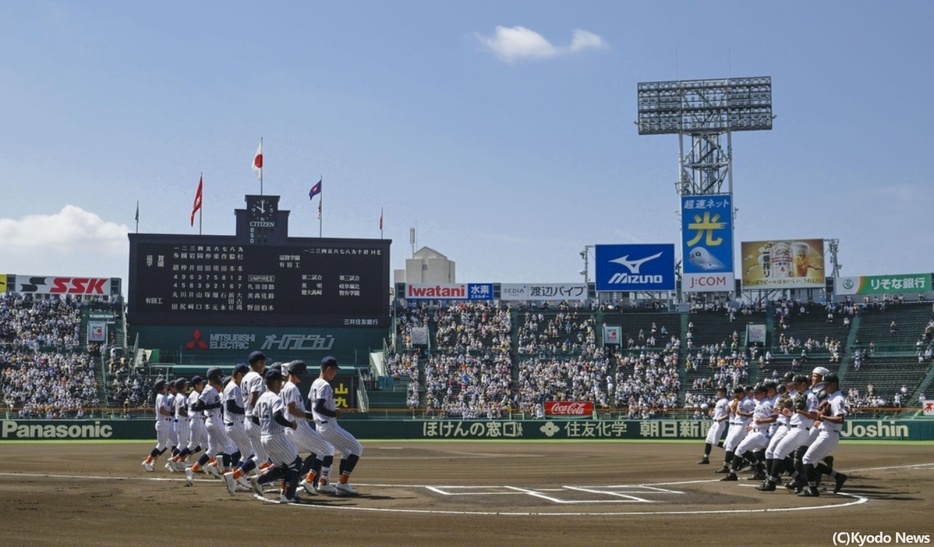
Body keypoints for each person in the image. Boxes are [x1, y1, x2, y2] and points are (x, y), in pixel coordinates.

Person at [279, 360, 337, 495]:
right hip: (299, 427)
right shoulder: (292, 388)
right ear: (296, 373)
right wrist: (307, 414)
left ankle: (288, 487)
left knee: (295, 458)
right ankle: (311, 481)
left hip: (291, 428)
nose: (303, 376)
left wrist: (307, 415)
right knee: (327, 449)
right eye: (302, 373)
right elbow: (292, 410)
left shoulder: (285, 387)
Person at [247, 368, 303, 503]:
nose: (282, 385)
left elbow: (254, 419)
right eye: (281, 382)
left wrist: (266, 425)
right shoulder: (275, 398)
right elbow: (278, 416)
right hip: (276, 436)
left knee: (282, 467)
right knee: (295, 464)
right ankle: (288, 496)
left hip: (264, 437)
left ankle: (259, 480)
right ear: (277, 382)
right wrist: (290, 425)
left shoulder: (261, 399)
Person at [310, 356, 363, 495]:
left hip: (320, 426)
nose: (335, 373)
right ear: (328, 369)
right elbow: (319, 407)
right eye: (334, 370)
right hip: (329, 426)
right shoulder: (324, 385)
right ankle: (343, 483)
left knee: (346, 452)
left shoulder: (315, 383)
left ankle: (331, 483)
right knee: (357, 448)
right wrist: (334, 413)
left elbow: (313, 406)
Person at [799, 373, 848, 497]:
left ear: (834, 384)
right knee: (812, 462)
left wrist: (822, 416)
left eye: (826, 385)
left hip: (829, 434)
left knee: (807, 459)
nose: (824, 387)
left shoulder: (838, 399)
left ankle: (812, 489)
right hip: (826, 433)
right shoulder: (832, 397)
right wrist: (821, 413)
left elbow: (840, 419)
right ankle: (838, 477)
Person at [185, 367, 231, 485]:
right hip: (214, 420)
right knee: (228, 446)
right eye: (219, 376)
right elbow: (196, 407)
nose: (221, 378)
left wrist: (214, 405)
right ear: (215, 377)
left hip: (212, 420)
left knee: (212, 450)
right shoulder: (208, 390)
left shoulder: (212, 390)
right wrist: (214, 405)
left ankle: (192, 469)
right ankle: (227, 475)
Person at [221, 363, 254, 495]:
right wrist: (247, 410)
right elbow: (231, 407)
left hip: (234, 425)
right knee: (254, 452)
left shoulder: (232, 386)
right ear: (239, 374)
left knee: (245, 454)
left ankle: (235, 480)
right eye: (244, 375)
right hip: (236, 424)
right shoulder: (233, 387)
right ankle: (237, 476)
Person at [242, 351, 272, 472]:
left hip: (247, 421)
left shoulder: (245, 377)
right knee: (278, 448)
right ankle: (274, 477)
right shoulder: (256, 377)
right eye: (263, 362)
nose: (264, 365)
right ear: (258, 362)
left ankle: (236, 475)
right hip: (255, 420)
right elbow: (253, 400)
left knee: (261, 457)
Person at [141, 379, 173, 471]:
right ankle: (147, 462)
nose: (167, 387)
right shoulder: (161, 397)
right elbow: (162, 410)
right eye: (165, 386)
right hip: (162, 422)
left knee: (167, 443)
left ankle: (150, 461)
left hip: (164, 422)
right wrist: (171, 413)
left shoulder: (163, 396)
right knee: (161, 445)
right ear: (162, 387)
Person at [697, 386, 729, 465]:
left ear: (724, 393)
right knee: (708, 440)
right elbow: (717, 413)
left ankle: (731, 450)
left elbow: (729, 414)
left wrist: (721, 418)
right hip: (715, 422)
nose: (718, 393)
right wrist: (712, 414)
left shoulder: (726, 401)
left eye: (720, 391)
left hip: (721, 423)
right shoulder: (719, 401)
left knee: (715, 442)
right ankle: (706, 458)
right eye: (718, 391)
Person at [166, 378, 190, 472]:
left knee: (183, 444)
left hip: (179, 421)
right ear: (182, 386)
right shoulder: (182, 397)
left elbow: (174, 408)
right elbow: (180, 411)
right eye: (185, 385)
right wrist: (190, 415)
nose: (187, 386)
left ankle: (178, 461)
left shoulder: (179, 396)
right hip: (182, 421)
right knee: (182, 444)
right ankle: (171, 462)